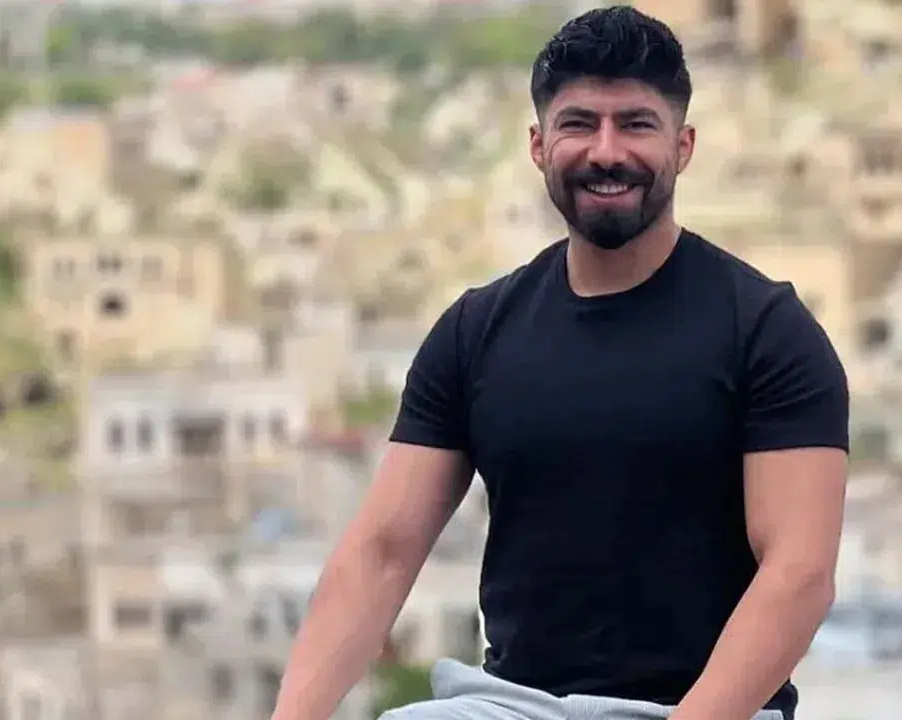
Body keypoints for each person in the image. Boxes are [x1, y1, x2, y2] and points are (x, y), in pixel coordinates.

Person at [270, 6, 848, 720]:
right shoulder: (475, 331)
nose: (607, 152)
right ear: (539, 146)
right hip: (513, 706)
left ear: (683, 147)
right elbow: (382, 554)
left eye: (636, 124)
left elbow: (799, 575)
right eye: (580, 124)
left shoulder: (767, 331)